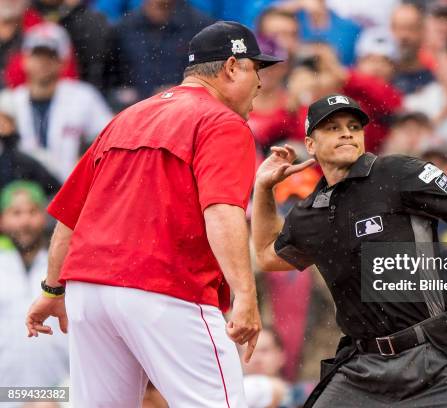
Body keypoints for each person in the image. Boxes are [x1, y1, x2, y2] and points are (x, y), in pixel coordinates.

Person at [25, 21, 282, 407]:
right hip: (164, 286)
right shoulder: (222, 122)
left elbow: (70, 217)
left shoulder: (126, 117)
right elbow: (222, 211)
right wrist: (245, 295)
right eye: (255, 69)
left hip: (88, 290)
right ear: (231, 66)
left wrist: (52, 288)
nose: (260, 83)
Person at [252, 93, 447, 407]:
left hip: (431, 358)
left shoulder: (398, 173)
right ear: (310, 144)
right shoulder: (309, 213)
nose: (346, 132)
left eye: (353, 126)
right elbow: (266, 255)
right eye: (331, 127)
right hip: (361, 368)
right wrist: (263, 188)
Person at [10, 22, 113, 181]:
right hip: (25, 195)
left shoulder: (84, 97)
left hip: (73, 192)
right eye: (37, 54)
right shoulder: (8, 102)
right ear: (24, 60)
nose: (43, 62)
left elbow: (108, 141)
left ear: (63, 62)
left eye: (50, 55)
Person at [0, 181, 69, 401]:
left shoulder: (63, 266)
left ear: (44, 216)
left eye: (32, 212)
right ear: (2, 220)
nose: (25, 221)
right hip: (5, 393)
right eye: (16, 213)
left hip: (61, 392)